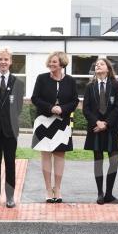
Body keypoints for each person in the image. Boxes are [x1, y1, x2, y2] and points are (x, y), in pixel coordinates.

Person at [31, 51, 78, 203]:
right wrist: (51, 108)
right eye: (50, 61)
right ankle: (47, 189)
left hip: (62, 123)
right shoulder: (42, 78)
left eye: (55, 62)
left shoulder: (70, 80)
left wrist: (62, 109)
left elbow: (75, 101)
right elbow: (35, 98)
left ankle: (57, 188)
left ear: (62, 64)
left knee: (59, 155)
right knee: (45, 155)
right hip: (44, 121)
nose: (51, 64)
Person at [0, 47, 25, 208]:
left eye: (6, 59)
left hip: (10, 130)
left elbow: (19, 107)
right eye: (0, 59)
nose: (3, 62)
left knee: (10, 163)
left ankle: (10, 197)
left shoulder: (18, 83)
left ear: (11, 62)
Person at [82, 58, 118, 205]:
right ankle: (100, 193)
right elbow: (85, 108)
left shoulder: (116, 85)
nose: (98, 65)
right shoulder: (90, 86)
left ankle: (109, 194)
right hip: (95, 129)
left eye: (102, 64)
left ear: (108, 68)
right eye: (97, 64)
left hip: (110, 128)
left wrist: (106, 123)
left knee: (114, 160)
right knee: (98, 161)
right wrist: (97, 122)